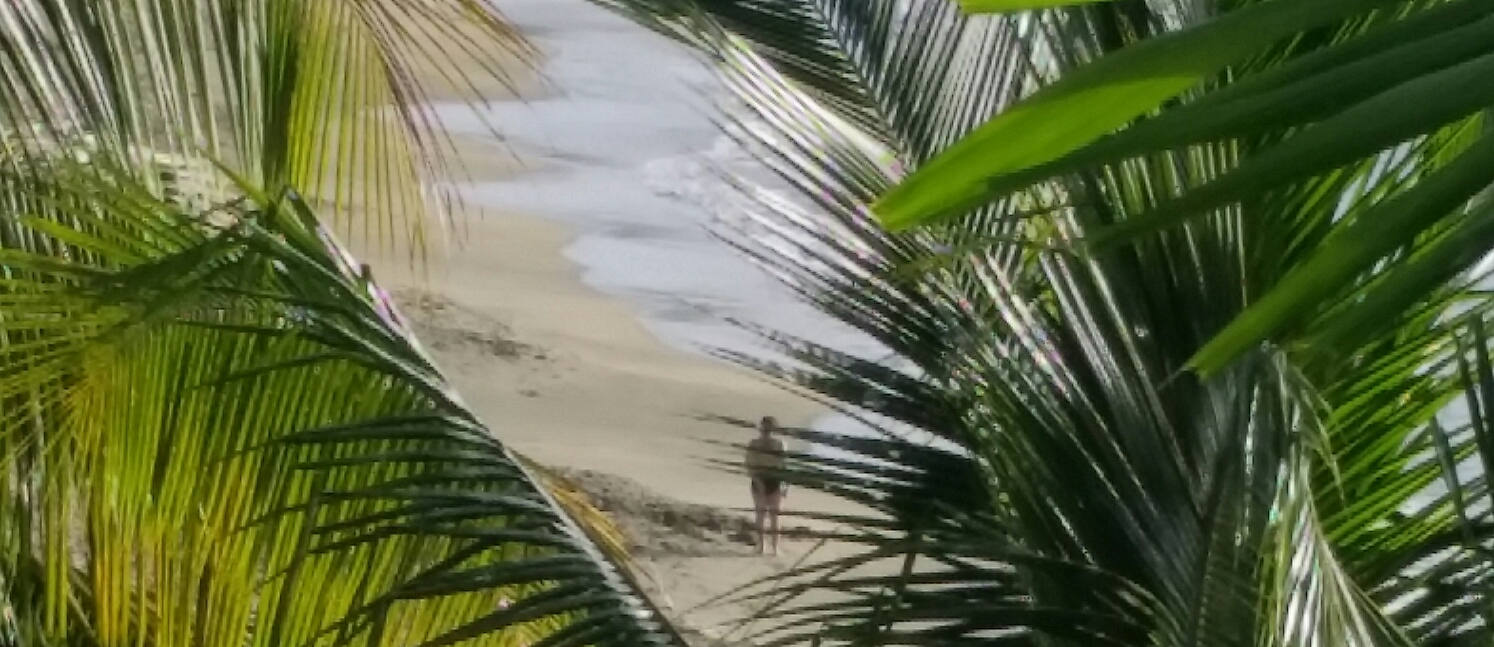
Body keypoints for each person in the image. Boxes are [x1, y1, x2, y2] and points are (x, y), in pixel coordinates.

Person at [745, 416, 787, 555]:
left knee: (775, 516)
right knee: (760, 515)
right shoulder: (754, 444)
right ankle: (761, 545)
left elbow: (784, 466)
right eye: (764, 429)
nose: (767, 432)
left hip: (775, 481)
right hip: (759, 479)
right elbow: (750, 465)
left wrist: (785, 484)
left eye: (769, 430)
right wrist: (758, 482)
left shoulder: (780, 444)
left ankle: (775, 547)